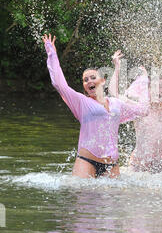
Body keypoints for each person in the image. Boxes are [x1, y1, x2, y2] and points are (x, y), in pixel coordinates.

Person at [42, 34, 149, 179]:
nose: (89, 81)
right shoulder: (81, 102)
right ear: (84, 86)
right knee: (83, 196)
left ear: (103, 81)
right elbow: (59, 84)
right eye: (85, 80)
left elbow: (143, 110)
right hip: (87, 160)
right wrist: (52, 54)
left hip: (111, 164)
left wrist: (143, 83)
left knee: (112, 200)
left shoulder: (116, 104)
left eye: (93, 78)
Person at [109, 53, 162, 173]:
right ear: (148, 92)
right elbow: (114, 94)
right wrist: (117, 68)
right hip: (139, 168)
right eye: (154, 87)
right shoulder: (140, 109)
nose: (158, 90)